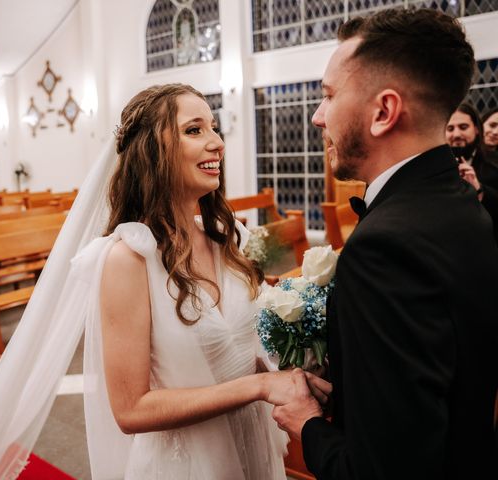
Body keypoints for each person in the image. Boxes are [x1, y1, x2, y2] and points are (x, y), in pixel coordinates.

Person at [271, 8, 498, 480]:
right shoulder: (462, 203)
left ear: (384, 112)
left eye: (329, 95)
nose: (317, 116)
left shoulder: (384, 249)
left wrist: (306, 423)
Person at [81, 83, 329, 479]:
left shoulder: (228, 238)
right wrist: (259, 388)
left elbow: (248, 345)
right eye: (194, 130)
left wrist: (302, 358)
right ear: (152, 151)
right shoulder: (128, 260)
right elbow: (130, 410)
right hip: (187, 465)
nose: (217, 143)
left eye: (214, 128)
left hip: (255, 450)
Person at [446, 103, 498, 242]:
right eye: (450, 128)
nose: (456, 134)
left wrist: (479, 190)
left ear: (476, 129)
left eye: (463, 127)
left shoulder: (494, 163)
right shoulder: (435, 165)